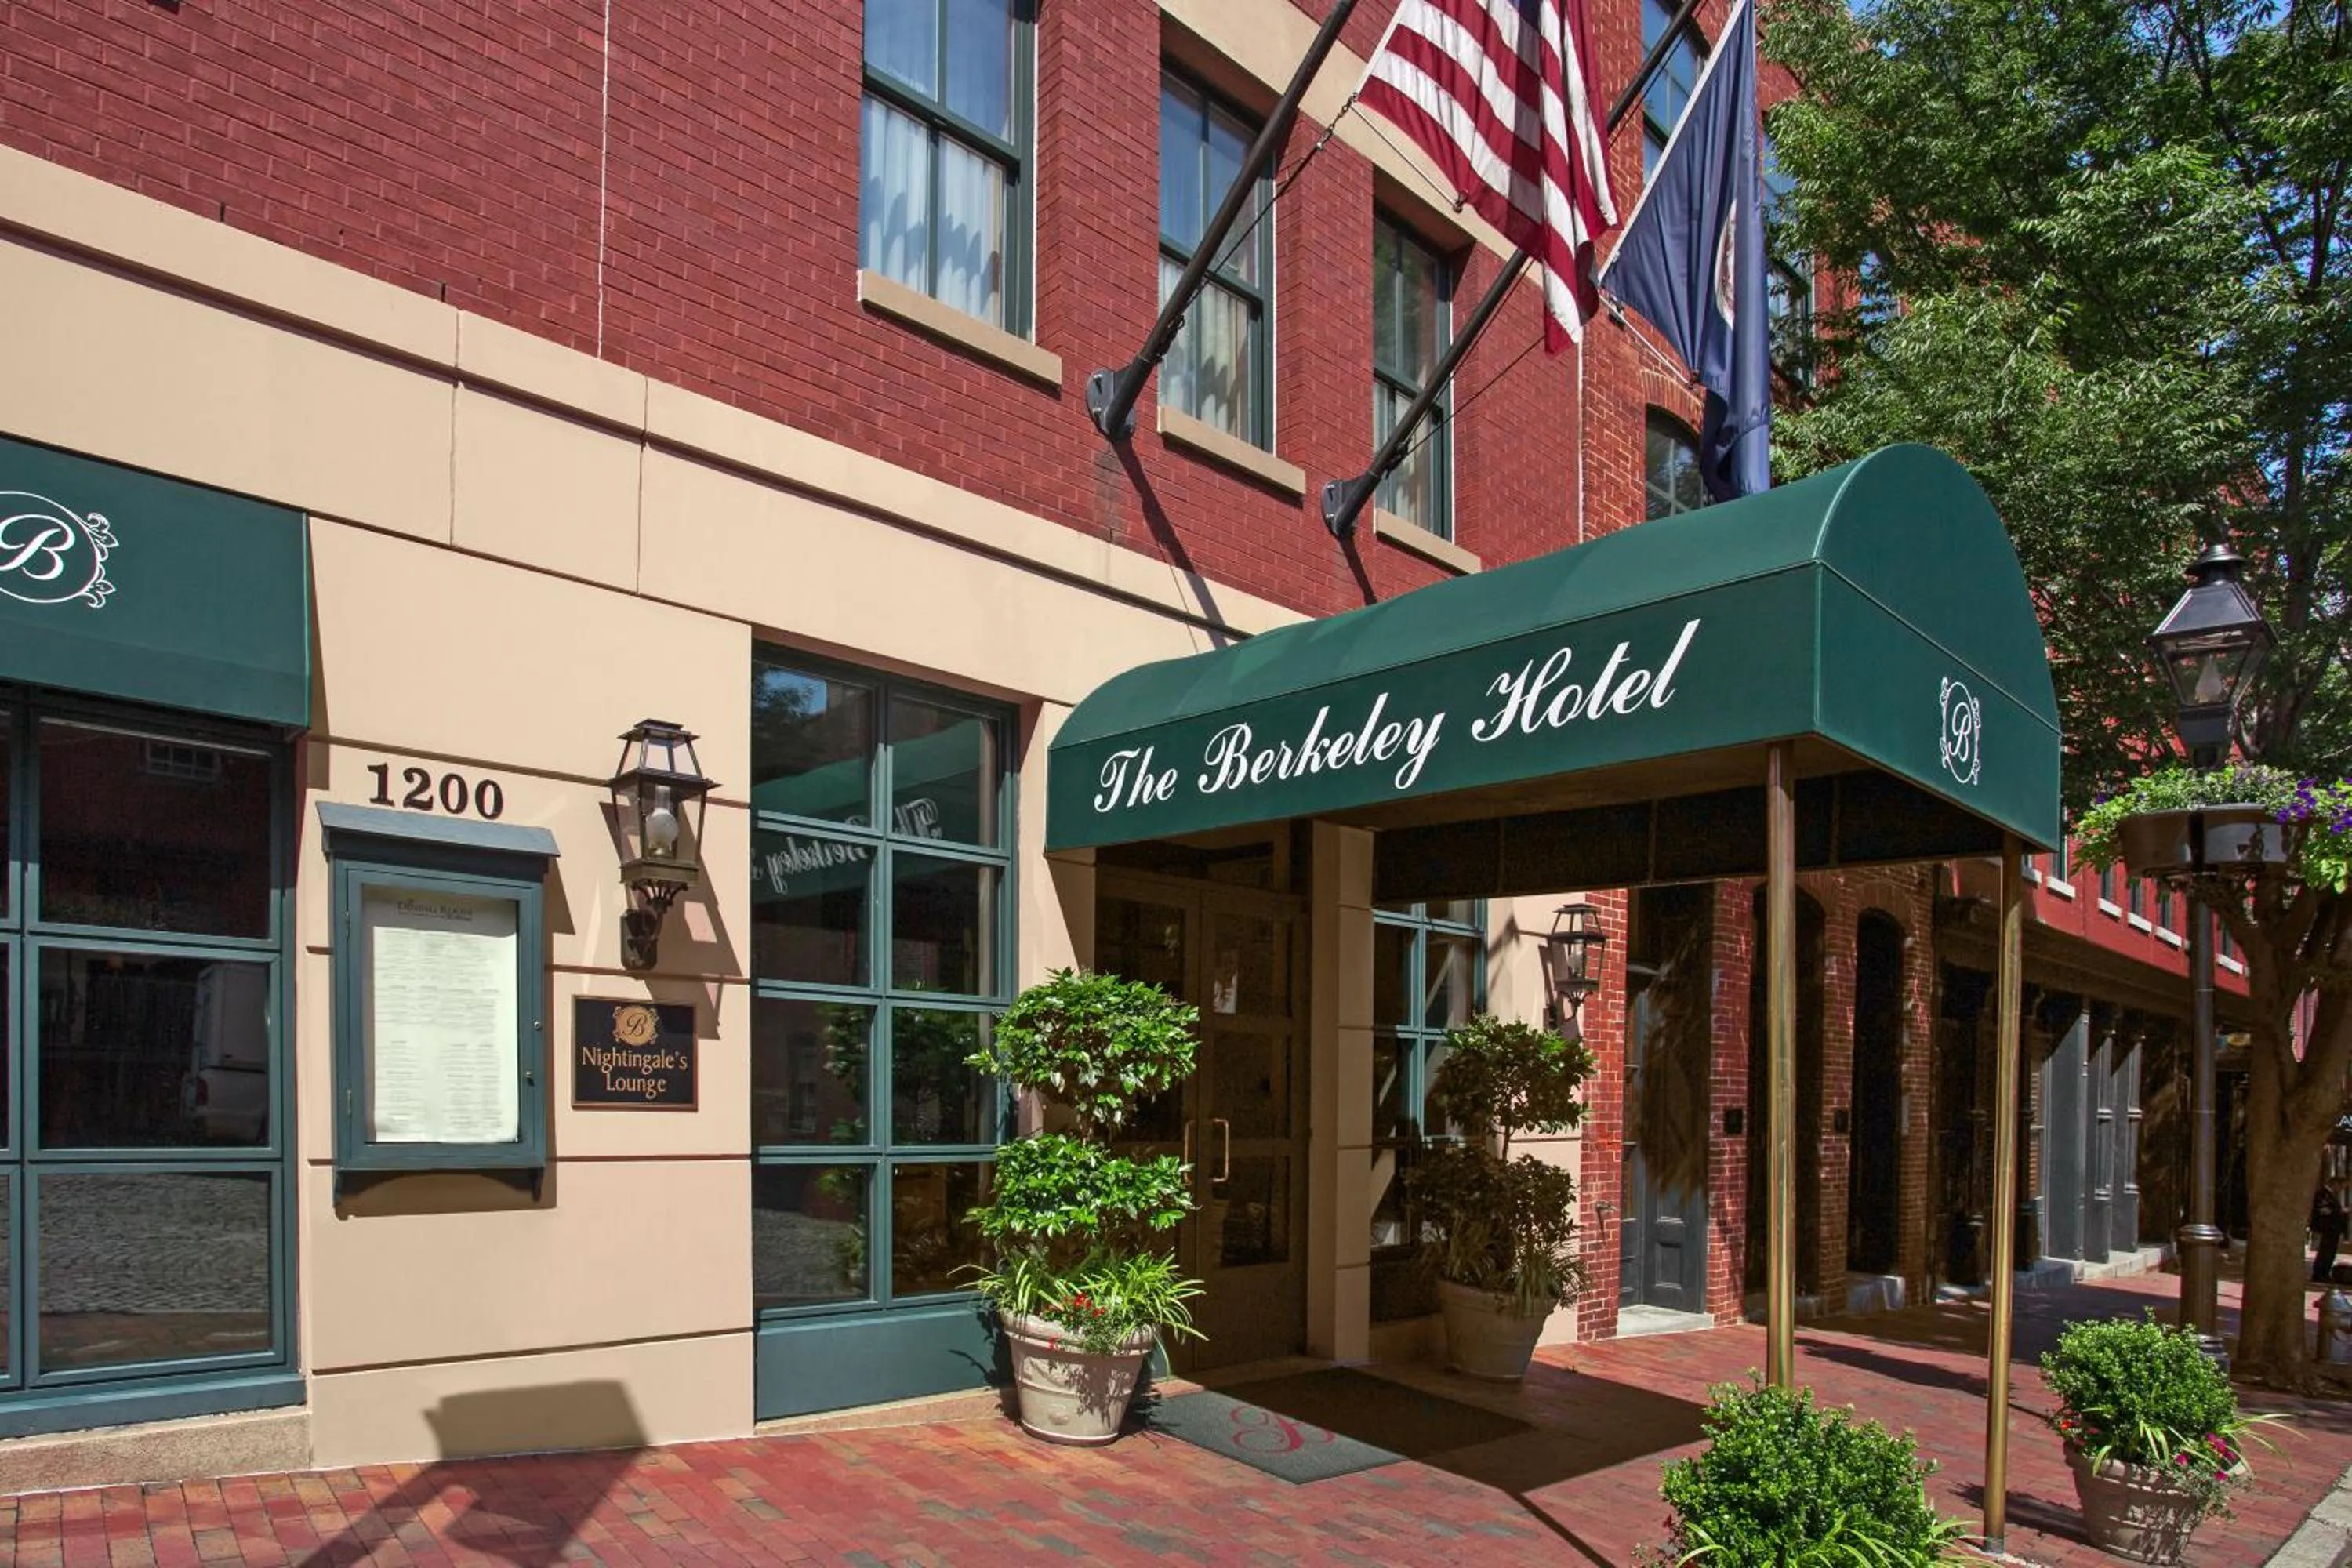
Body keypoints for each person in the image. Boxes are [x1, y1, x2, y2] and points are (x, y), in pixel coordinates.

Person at [2312, 1183, 2345, 1283]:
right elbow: (2322, 1210)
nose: (2340, 1189)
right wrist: (2336, 1211)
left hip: (2334, 1229)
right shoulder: (2323, 1194)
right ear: (2334, 1185)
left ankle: (2325, 1273)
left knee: (2330, 1252)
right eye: (2340, 1187)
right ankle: (2319, 1273)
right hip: (2328, 1228)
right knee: (2325, 1251)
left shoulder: (2331, 1195)